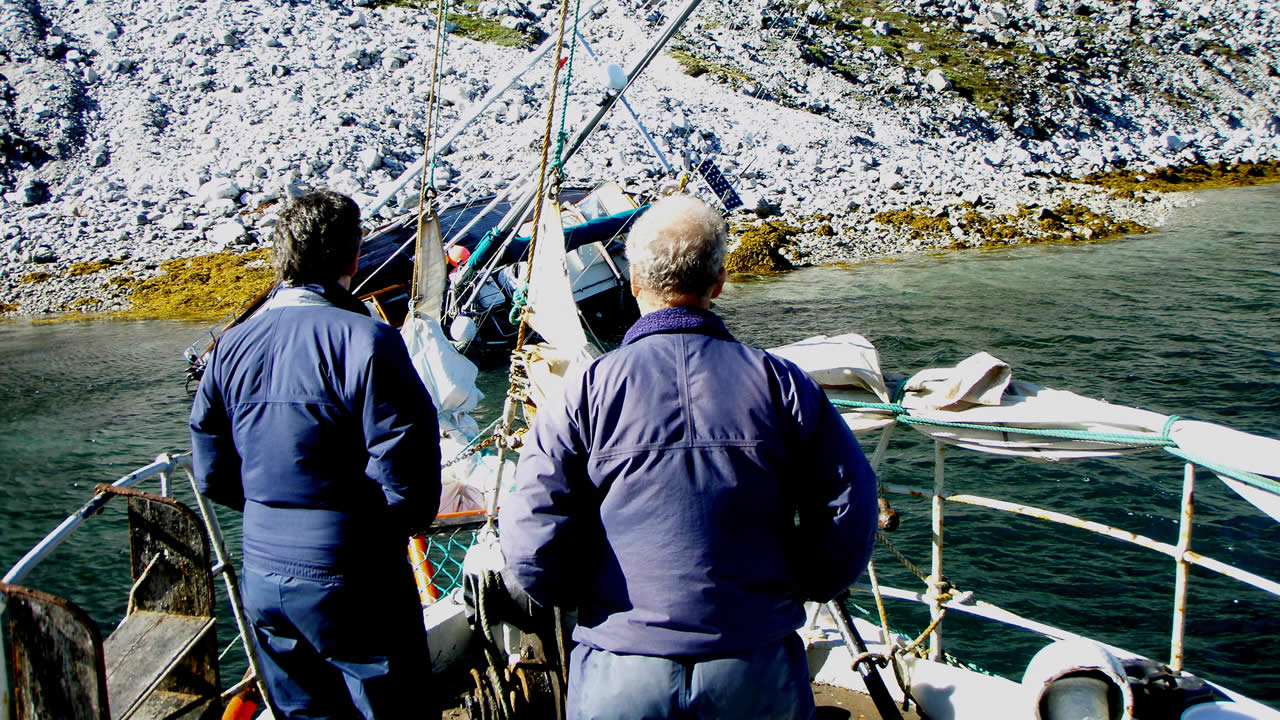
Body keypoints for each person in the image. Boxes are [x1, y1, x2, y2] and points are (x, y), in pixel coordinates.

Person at [498, 193, 879, 719]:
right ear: (719, 283)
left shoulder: (585, 392)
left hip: (621, 665)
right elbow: (848, 504)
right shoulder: (782, 384)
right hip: (754, 662)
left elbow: (531, 533)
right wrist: (805, 585)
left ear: (634, 284)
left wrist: (576, 595)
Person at [190, 190, 441, 719]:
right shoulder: (367, 339)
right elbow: (409, 474)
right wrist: (376, 528)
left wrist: (276, 511)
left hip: (262, 569)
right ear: (353, 259)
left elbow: (211, 470)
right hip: (352, 570)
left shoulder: (229, 346)